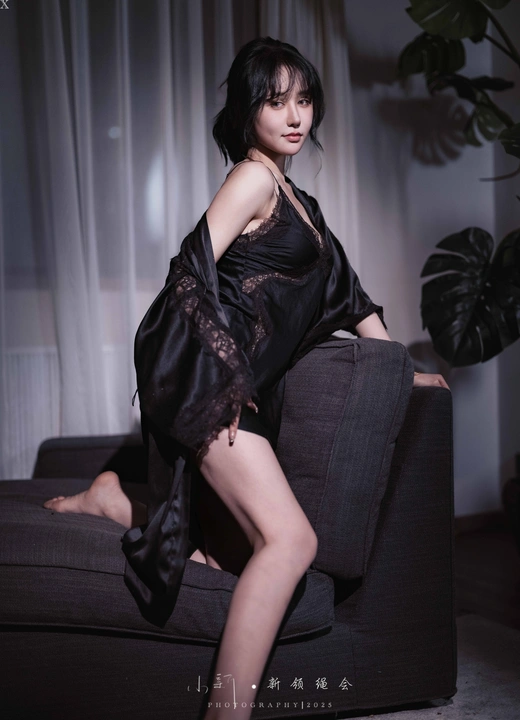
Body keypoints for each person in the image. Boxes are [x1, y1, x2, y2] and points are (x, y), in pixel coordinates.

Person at [43, 36, 450, 720]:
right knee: (292, 541)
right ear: (246, 111)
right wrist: (226, 374)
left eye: (304, 99)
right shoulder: (253, 179)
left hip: (237, 386)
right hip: (208, 375)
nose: (294, 115)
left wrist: (403, 370)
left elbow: (346, 293)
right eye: (275, 101)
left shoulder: (302, 201)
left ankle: (114, 500)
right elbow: (189, 272)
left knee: (230, 557)